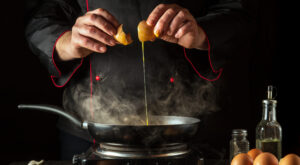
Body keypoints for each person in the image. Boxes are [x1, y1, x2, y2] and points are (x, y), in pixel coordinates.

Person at [26, 0, 256, 160]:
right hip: (91, 134)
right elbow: (41, 15)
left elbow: (238, 11)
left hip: (186, 133)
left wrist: (202, 33)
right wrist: (66, 42)